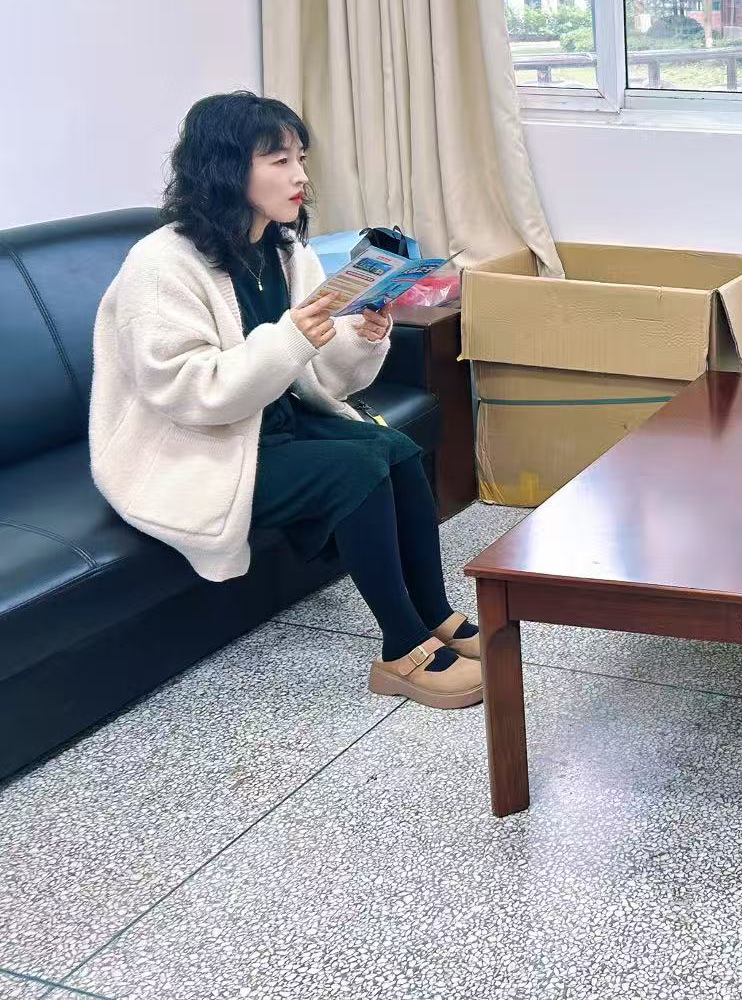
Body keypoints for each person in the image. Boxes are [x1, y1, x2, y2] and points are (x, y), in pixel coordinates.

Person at [89, 92, 483, 708]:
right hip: (193, 445)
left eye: (300, 158)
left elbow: (320, 375)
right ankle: (401, 649)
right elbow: (189, 392)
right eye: (279, 160)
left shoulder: (284, 250)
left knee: (395, 448)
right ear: (225, 169)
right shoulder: (160, 265)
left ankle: (433, 613)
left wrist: (361, 337)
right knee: (356, 467)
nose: (300, 175)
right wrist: (292, 336)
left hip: (271, 421)